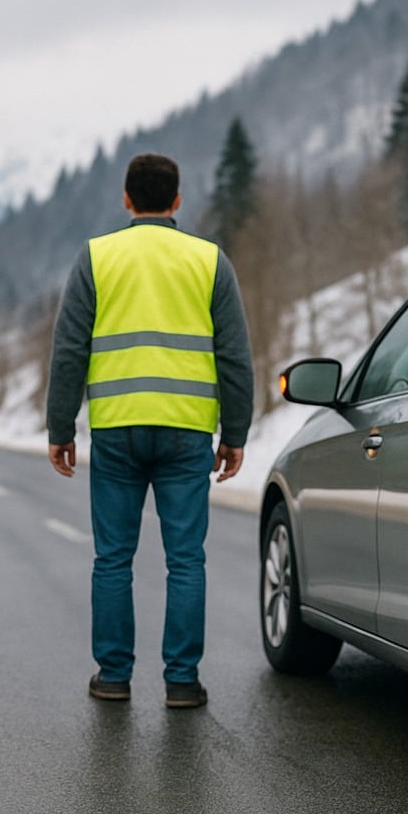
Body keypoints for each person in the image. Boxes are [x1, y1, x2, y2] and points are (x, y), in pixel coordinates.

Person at [46, 152, 254, 709]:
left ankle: (114, 676)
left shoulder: (96, 258)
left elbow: (69, 350)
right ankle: (181, 682)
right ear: (177, 200)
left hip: (116, 429)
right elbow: (235, 357)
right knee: (185, 560)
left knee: (113, 558)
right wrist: (235, 433)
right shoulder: (210, 261)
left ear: (127, 199)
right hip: (187, 431)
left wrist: (60, 426)